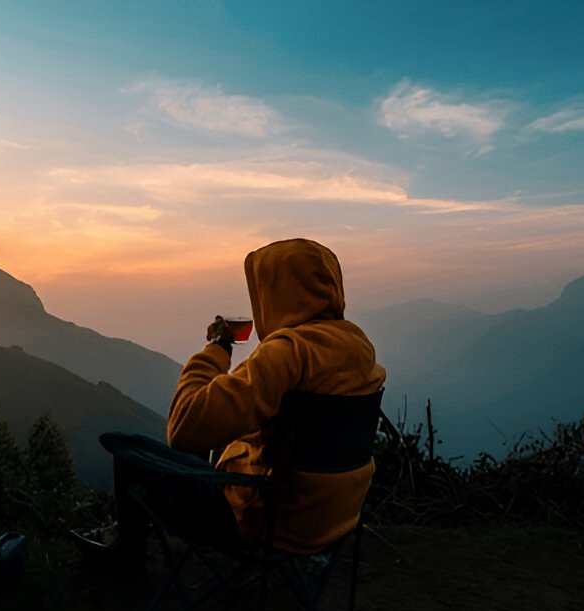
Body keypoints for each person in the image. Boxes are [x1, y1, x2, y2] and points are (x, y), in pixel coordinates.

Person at [72, 237, 385, 567]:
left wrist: (217, 347)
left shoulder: (287, 352)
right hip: (332, 517)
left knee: (129, 452)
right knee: (216, 441)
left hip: (267, 520)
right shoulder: (358, 347)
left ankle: (125, 555)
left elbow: (183, 427)